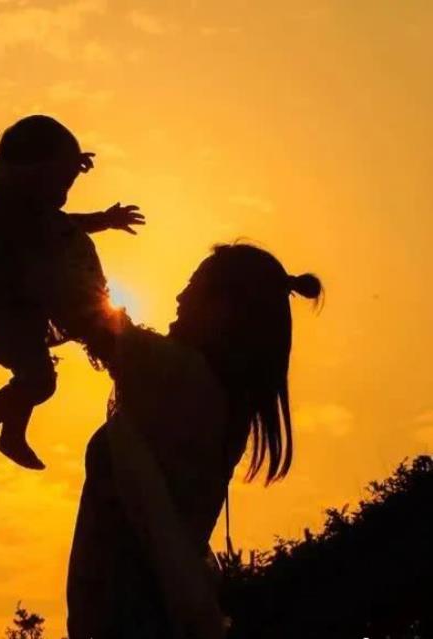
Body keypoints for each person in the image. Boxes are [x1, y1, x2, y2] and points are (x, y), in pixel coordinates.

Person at [67, 243, 323, 639]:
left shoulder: (190, 382)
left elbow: (95, 321)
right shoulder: (216, 401)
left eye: (193, 288)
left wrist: (50, 242)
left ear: (224, 311)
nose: (179, 298)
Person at [0, 115, 144, 470]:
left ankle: (11, 435)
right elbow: (61, 226)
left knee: (33, 375)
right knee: (40, 382)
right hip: (1, 318)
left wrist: (103, 217)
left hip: (20, 315)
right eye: (61, 182)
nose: (64, 193)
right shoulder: (8, 211)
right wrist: (102, 219)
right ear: (35, 174)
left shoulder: (27, 209)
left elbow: (63, 223)